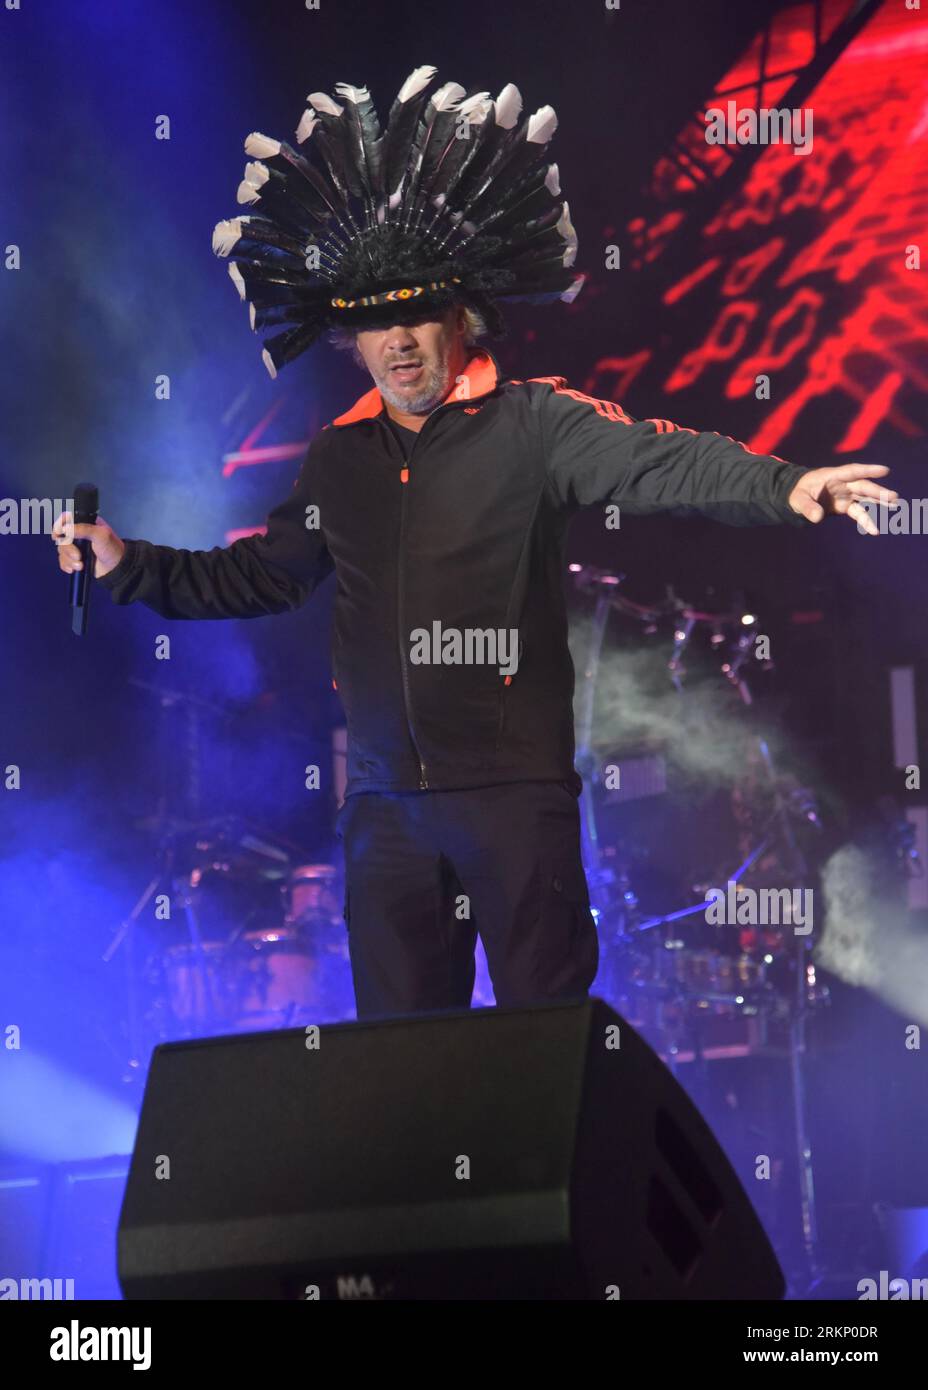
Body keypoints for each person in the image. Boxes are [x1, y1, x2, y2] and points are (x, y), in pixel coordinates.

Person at [52, 67, 896, 1020]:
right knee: (408, 1071)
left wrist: (787, 484)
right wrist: (131, 565)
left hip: (513, 802)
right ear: (351, 339)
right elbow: (263, 573)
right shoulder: (339, 459)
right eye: (376, 324)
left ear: (461, 317)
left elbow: (665, 461)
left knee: (543, 1048)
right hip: (385, 815)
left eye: (417, 315)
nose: (400, 342)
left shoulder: (535, 425)